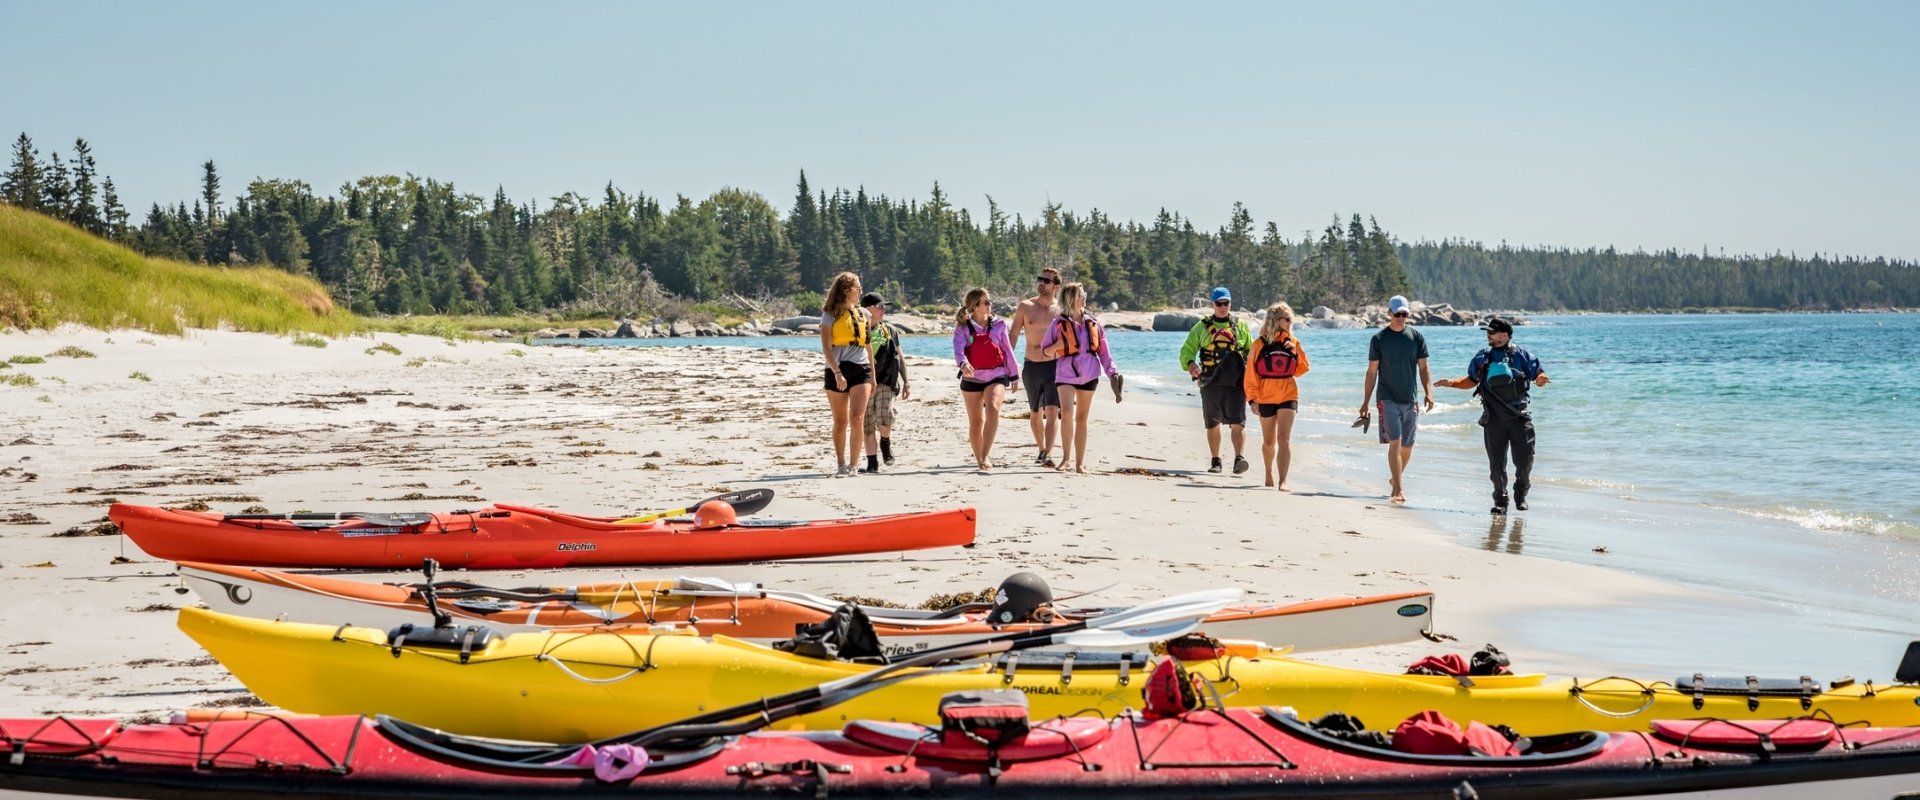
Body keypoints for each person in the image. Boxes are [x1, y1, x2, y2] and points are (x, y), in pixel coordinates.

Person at [1435, 317, 1549, 514]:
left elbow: (1538, 373)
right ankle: (1500, 501)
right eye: (1487, 332)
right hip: (1493, 419)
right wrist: (1451, 382)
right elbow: (1471, 380)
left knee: (1524, 463)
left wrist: (1540, 379)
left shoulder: (1521, 355)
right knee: (1496, 465)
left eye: (1492, 332)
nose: (1488, 335)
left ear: (1504, 335)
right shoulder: (1483, 357)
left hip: (1519, 418)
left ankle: (1520, 493)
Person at [1358, 295, 1433, 504]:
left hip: (1410, 398)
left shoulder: (1416, 337)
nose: (1400, 317)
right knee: (1395, 441)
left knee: (1408, 446)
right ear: (1389, 313)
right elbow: (1372, 372)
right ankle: (1398, 489)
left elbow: (1424, 368)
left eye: (1404, 314)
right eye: (1397, 313)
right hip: (1386, 397)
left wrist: (1428, 392)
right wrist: (1365, 401)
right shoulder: (1379, 339)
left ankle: (1395, 479)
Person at [1039, 282, 1120, 473]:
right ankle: (1066, 459)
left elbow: (1104, 354)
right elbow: (1045, 351)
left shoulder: (1094, 323)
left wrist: (1113, 373)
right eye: (1081, 294)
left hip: (1090, 374)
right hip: (1065, 374)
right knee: (1066, 413)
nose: (1085, 296)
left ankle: (1079, 463)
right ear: (1072, 298)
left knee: (1082, 418)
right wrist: (1058, 344)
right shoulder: (1057, 323)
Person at [1177, 287, 1254, 475]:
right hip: (1210, 381)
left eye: (1225, 303)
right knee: (1213, 423)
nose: (1222, 307)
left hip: (1236, 383)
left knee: (1238, 422)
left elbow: (1252, 353)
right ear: (1212, 304)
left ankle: (1239, 459)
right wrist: (1191, 365)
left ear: (1230, 304)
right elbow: (1186, 351)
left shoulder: (1240, 327)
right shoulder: (1201, 327)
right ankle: (1216, 461)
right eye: (1218, 303)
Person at [1243, 301, 1310, 490]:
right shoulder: (1259, 344)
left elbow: (1302, 370)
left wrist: (1294, 352)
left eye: (1291, 319)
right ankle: (1268, 472)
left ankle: (1283, 481)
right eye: (1287, 319)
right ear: (1276, 320)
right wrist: (1252, 399)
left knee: (1284, 439)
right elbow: (1250, 374)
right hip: (1265, 396)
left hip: (1288, 394)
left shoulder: (1294, 342)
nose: (1291, 322)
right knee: (1269, 442)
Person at [952, 287, 1020, 474]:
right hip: (971, 377)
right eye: (986, 302)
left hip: (996, 374)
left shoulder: (999, 325)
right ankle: (979, 458)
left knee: (993, 409)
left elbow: (1007, 350)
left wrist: (1014, 375)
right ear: (975, 306)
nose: (991, 305)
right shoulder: (963, 328)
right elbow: (958, 351)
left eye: (990, 301)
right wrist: (964, 365)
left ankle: (985, 455)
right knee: (976, 421)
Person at [818, 272, 873, 478]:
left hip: (861, 368)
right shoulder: (829, 314)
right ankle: (841, 463)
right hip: (837, 369)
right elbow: (826, 348)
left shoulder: (864, 315)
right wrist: (837, 372)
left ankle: (854, 464)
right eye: (858, 288)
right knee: (841, 422)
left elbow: (867, 347)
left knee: (857, 417)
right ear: (847, 290)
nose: (860, 291)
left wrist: (873, 377)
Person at [1011, 268, 1063, 467]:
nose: (1041, 283)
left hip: (1055, 366)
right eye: (1040, 279)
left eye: (1046, 281)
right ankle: (1041, 448)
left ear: (1056, 286)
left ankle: (1048, 453)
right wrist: (1008, 363)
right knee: (1035, 410)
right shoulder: (1025, 306)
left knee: (1051, 410)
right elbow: (1013, 334)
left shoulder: (1061, 310)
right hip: (1031, 365)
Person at [860, 291, 910, 474]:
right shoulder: (857, 329)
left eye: (884, 307)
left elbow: (900, 356)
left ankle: (885, 443)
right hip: (863, 382)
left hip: (886, 381)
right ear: (867, 309)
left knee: (885, 417)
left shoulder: (889, 330)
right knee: (866, 425)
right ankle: (872, 462)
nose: (883, 310)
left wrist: (907, 382)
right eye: (879, 307)